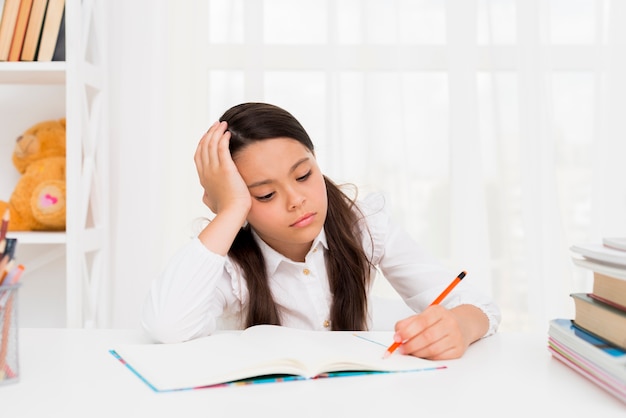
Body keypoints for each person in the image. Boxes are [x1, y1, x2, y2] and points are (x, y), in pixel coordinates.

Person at [142, 102, 501, 360]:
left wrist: (459, 327)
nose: (296, 200)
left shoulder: (364, 226)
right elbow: (168, 326)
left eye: (303, 175)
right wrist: (231, 210)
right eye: (265, 194)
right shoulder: (231, 262)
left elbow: (477, 305)